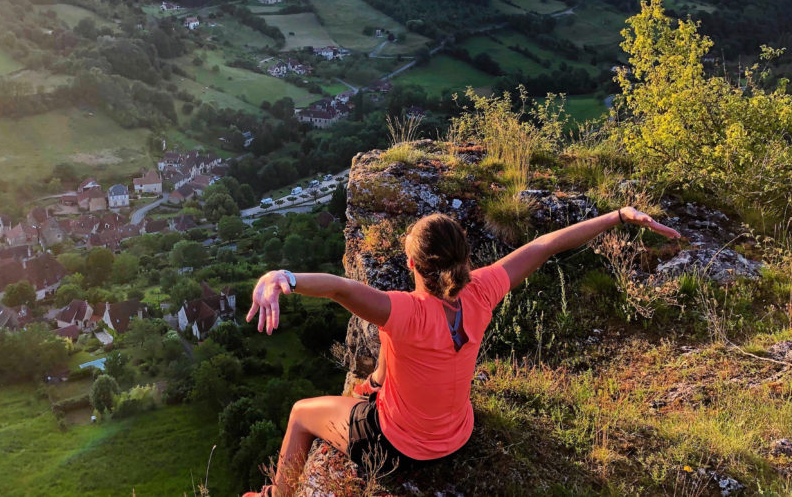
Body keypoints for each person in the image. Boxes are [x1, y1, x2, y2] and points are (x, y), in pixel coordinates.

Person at [241, 206, 680, 497]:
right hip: (457, 436)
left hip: (398, 448)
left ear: (412, 265)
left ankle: (274, 495)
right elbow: (546, 244)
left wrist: (281, 277)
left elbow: (340, 289)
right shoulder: (482, 291)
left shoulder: (405, 312)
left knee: (300, 413)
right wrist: (619, 215)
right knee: (388, 355)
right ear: (465, 259)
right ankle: (375, 386)